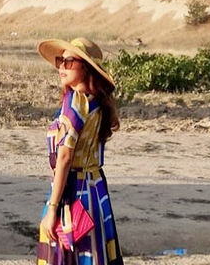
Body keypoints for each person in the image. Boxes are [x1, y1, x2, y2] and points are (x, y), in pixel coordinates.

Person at [36, 37, 123, 265]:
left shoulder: (75, 102)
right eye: (60, 61)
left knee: (62, 252)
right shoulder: (96, 102)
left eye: (69, 61)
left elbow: (64, 157)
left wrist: (52, 208)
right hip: (95, 191)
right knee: (94, 254)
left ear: (85, 67)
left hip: (73, 191)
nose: (62, 67)